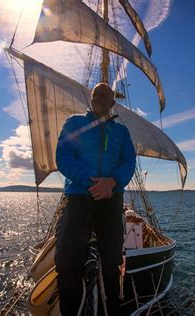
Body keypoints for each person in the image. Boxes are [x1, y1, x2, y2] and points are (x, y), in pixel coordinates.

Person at [54, 82, 136, 315]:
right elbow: (63, 157)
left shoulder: (122, 131)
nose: (98, 97)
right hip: (79, 197)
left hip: (111, 199)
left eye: (104, 95)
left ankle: (111, 308)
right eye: (94, 95)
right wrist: (93, 184)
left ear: (112, 102)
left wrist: (112, 182)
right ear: (91, 100)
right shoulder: (74, 123)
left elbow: (129, 162)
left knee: (112, 261)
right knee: (68, 261)